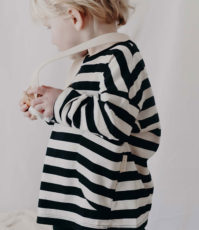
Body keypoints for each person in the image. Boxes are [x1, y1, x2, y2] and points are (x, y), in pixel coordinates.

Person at [18, 0, 161, 229]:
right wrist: (48, 109)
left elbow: (115, 123)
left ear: (75, 17)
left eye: (49, 28)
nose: (52, 38)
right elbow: (87, 121)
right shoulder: (88, 61)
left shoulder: (121, 56)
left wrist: (61, 102)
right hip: (79, 198)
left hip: (110, 207)